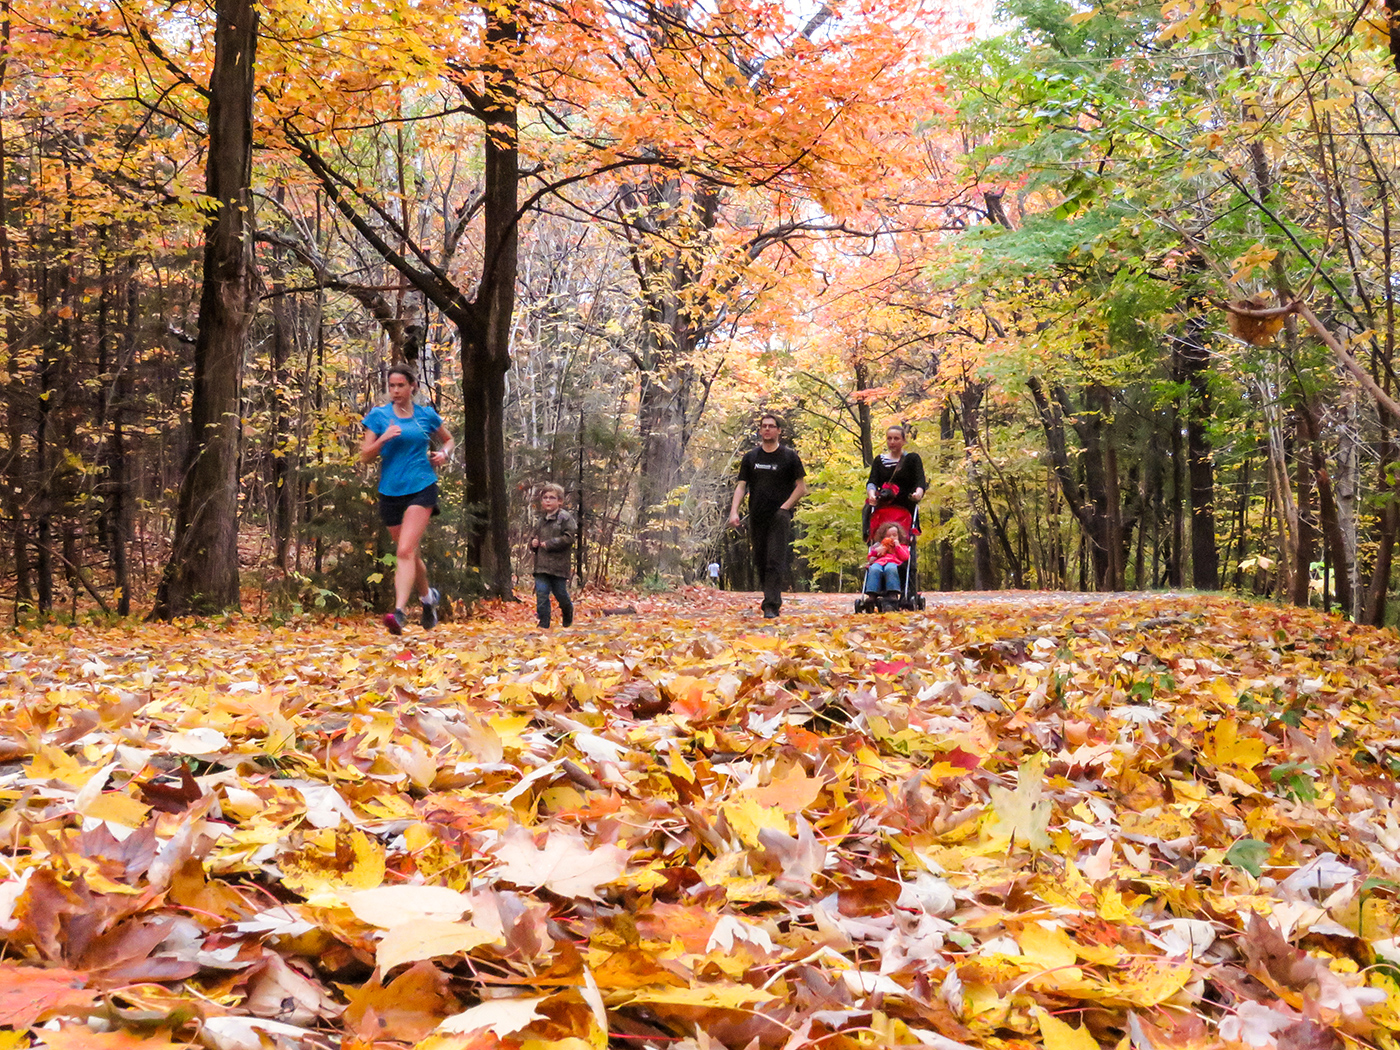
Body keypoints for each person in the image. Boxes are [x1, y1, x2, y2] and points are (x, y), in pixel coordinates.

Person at [360, 365, 453, 635]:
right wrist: (384, 439)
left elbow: (448, 440)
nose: (395, 391)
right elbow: (365, 456)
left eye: (400, 385)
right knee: (410, 553)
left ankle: (399, 613)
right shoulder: (379, 416)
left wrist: (444, 454)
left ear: (412, 386)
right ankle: (428, 598)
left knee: (403, 551)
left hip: (421, 486)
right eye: (391, 386)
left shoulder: (425, 415)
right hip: (390, 490)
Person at [728, 413, 807, 618]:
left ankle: (771, 605)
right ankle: (770, 597)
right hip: (757, 514)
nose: (767, 429)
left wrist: (785, 508)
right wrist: (734, 511)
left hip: (779, 516)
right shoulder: (751, 457)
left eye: (771, 426)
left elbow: (801, 488)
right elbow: (741, 486)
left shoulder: (789, 457)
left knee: (775, 559)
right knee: (761, 560)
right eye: (764, 426)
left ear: (779, 431)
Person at [529, 483, 577, 628]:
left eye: (551, 498)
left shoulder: (565, 518)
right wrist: (533, 543)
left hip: (558, 565)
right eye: (545, 498)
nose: (548, 501)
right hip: (541, 566)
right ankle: (544, 623)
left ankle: (568, 611)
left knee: (560, 593)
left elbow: (569, 538)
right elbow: (532, 540)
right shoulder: (540, 520)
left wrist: (550, 543)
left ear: (560, 501)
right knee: (542, 594)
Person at [865, 424, 927, 515]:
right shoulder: (879, 460)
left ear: (904, 440)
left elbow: (920, 480)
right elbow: (872, 481)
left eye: (896, 438)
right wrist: (871, 495)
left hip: (905, 508)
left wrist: (918, 494)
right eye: (889, 438)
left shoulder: (912, 459)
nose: (892, 442)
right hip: (883, 506)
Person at [864, 521, 909, 607]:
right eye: (888, 536)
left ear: (899, 536)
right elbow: (870, 556)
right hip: (879, 562)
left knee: (890, 568)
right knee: (874, 569)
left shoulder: (901, 546)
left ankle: (893, 593)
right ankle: (872, 594)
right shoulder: (879, 546)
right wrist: (875, 553)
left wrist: (897, 546)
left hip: (893, 562)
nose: (892, 538)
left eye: (894, 535)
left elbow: (905, 557)